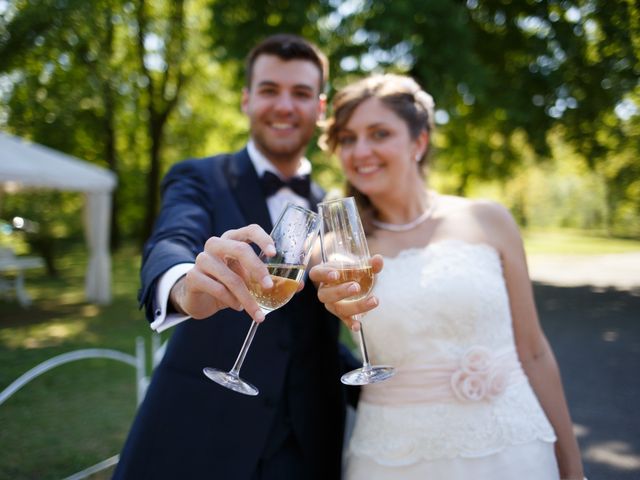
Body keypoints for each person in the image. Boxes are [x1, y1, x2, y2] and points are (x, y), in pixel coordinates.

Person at [113, 33, 367, 480]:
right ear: (247, 100)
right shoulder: (199, 177)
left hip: (308, 449)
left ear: (321, 108)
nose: (285, 106)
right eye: (270, 90)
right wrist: (185, 284)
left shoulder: (335, 207)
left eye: (301, 93)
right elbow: (172, 239)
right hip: (195, 440)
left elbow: (313, 338)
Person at [310, 73, 585, 479]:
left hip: (512, 445)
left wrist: (572, 468)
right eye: (348, 139)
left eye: (379, 133)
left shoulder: (489, 220)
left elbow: (534, 352)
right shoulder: (334, 249)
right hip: (393, 456)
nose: (361, 150)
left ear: (419, 142)